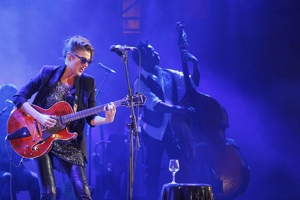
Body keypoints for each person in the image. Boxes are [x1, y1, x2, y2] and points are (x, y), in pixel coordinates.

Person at [12, 35, 116, 200]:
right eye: (83, 59)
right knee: (50, 193)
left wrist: (107, 120)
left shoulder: (88, 83)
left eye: (89, 61)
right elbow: (19, 97)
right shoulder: (47, 73)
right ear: (69, 56)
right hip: (40, 138)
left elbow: (91, 118)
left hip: (69, 143)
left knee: (84, 194)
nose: (85, 65)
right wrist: (40, 117)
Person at [132, 41, 200, 200]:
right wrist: (181, 110)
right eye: (152, 53)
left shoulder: (168, 74)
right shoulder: (139, 82)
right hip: (153, 133)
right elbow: (155, 105)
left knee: (180, 169)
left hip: (173, 131)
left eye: (155, 51)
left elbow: (192, 83)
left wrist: (195, 64)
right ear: (144, 59)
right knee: (152, 173)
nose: (157, 54)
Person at [0, 83, 40, 200]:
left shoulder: (21, 122)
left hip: (18, 171)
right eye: (7, 98)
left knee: (38, 181)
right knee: (7, 178)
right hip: (1, 170)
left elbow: (27, 156)